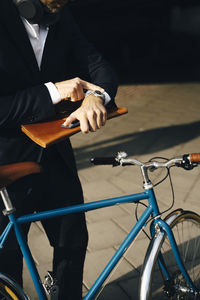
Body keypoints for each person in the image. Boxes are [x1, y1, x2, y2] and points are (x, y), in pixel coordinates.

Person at [0, 0, 118, 299]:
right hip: (6, 163)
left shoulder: (59, 15)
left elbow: (98, 65)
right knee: (8, 258)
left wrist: (95, 96)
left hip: (54, 155)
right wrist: (54, 91)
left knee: (73, 240)